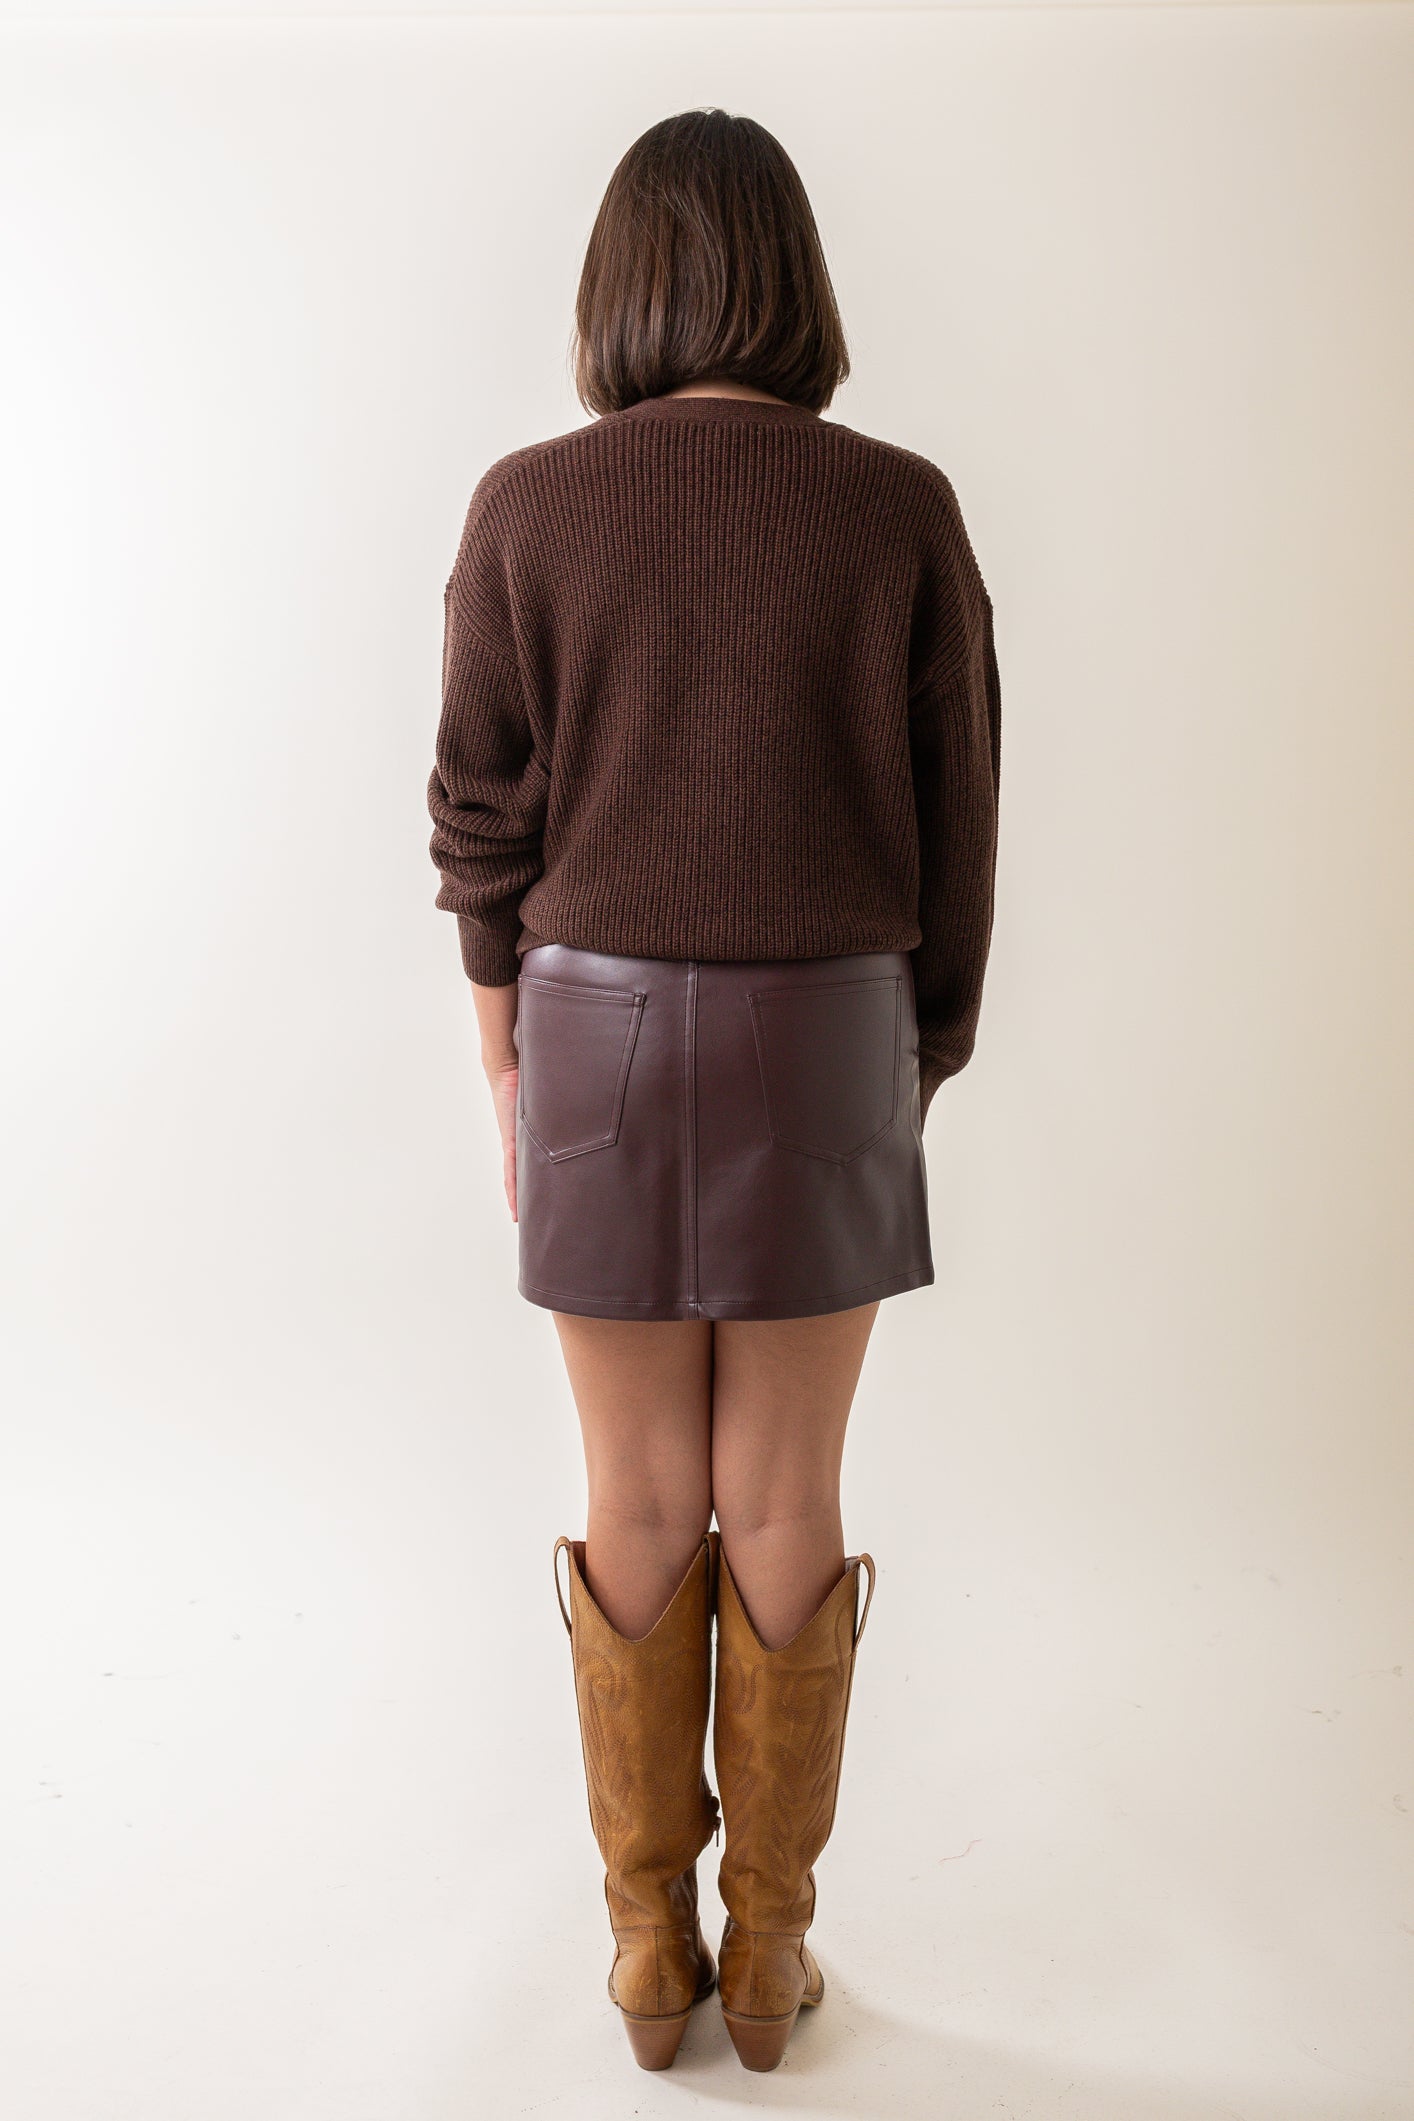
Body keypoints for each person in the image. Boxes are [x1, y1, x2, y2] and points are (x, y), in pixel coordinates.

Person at [427, 107, 1001, 2073]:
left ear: (619, 288)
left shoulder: (526, 504)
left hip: (591, 1020)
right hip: (830, 1019)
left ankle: (642, 1954)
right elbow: (957, 809)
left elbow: (480, 807)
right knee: (780, 1487)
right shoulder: (897, 507)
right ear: (795, 283)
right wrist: (916, 1047)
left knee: (635, 1490)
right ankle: (766, 1955)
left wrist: (505, 1041)